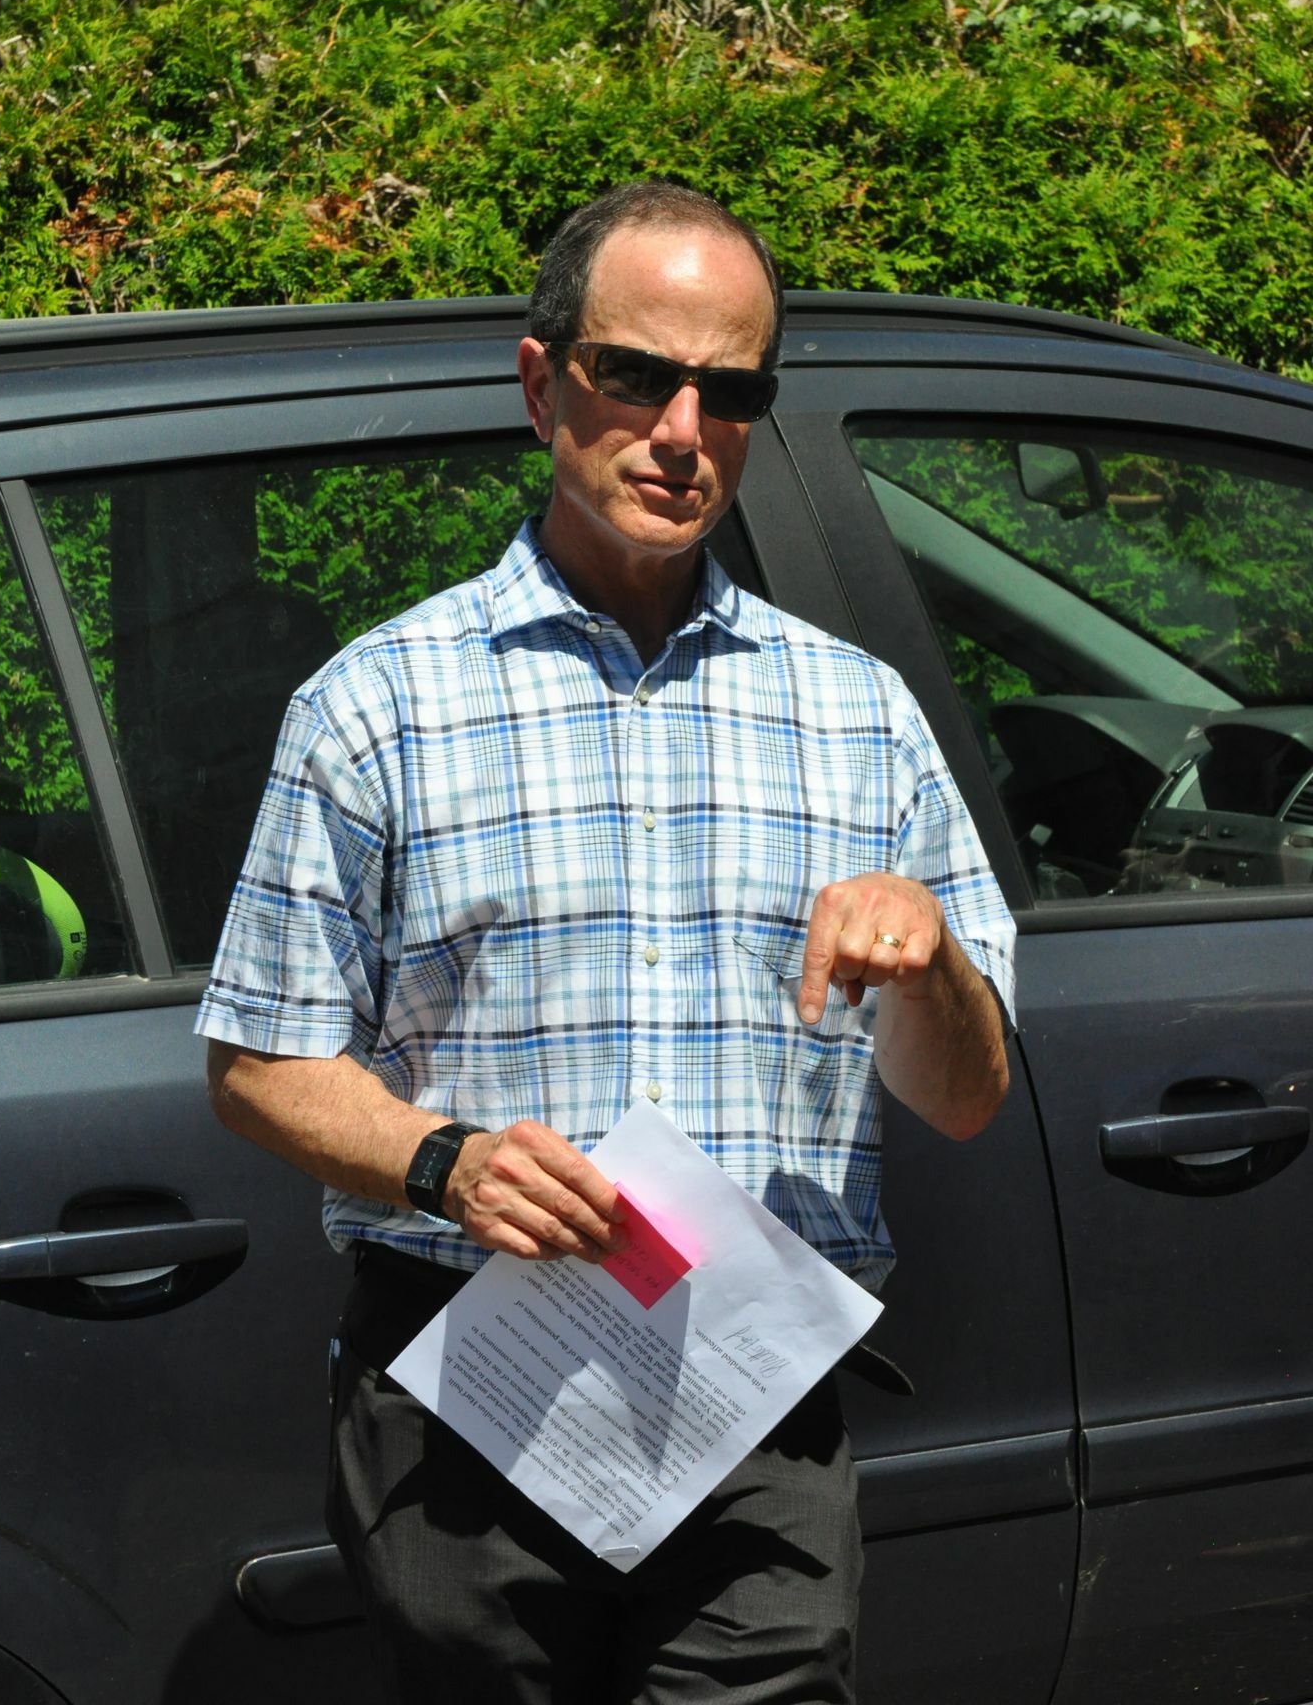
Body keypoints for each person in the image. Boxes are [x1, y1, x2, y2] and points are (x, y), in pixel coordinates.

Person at [199, 180, 1015, 1705]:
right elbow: (257, 1064)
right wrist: (444, 1162)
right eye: (635, 374)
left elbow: (965, 1098)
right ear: (542, 383)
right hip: (473, 1401)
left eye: (730, 391)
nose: (681, 429)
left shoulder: (858, 717)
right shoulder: (377, 707)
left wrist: (937, 967)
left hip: (751, 1396)